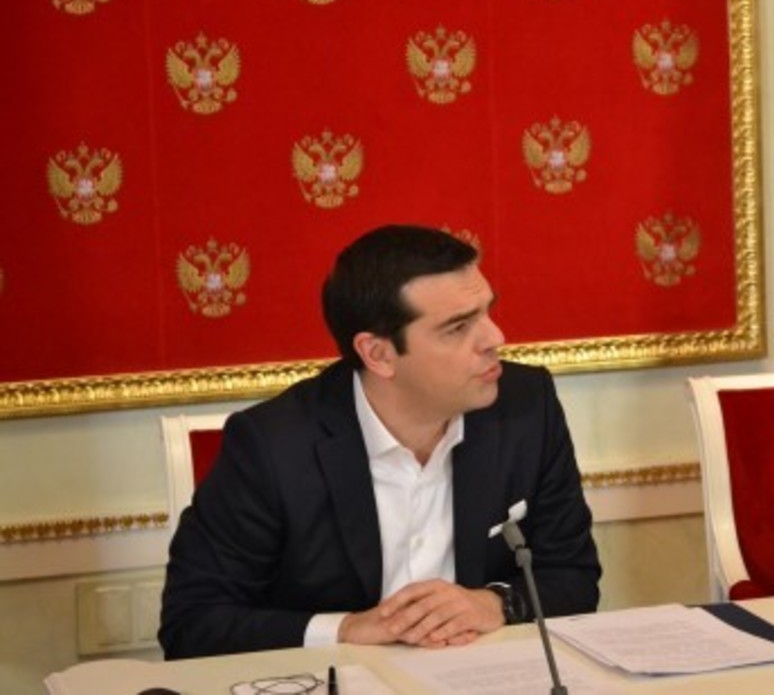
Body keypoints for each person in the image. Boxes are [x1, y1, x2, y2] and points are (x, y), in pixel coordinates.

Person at [159, 225, 601, 659]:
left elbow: (574, 575)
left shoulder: (527, 407)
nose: (495, 338)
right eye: (458, 327)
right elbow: (192, 623)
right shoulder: (273, 444)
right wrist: (347, 629)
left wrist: (494, 604)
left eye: (487, 311)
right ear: (379, 354)